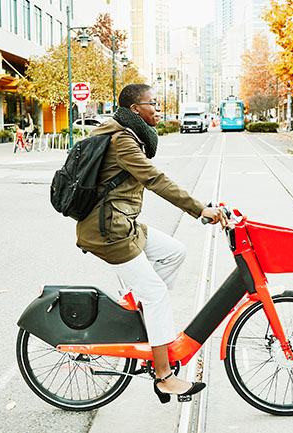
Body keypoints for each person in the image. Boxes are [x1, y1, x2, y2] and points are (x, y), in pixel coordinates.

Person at [76, 83, 228, 403]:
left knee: (175, 251)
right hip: (110, 231)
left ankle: (143, 317)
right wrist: (200, 209)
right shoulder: (122, 141)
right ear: (135, 110)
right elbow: (156, 180)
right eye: (152, 104)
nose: (158, 109)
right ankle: (164, 376)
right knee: (157, 294)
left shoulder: (128, 134)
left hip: (122, 223)